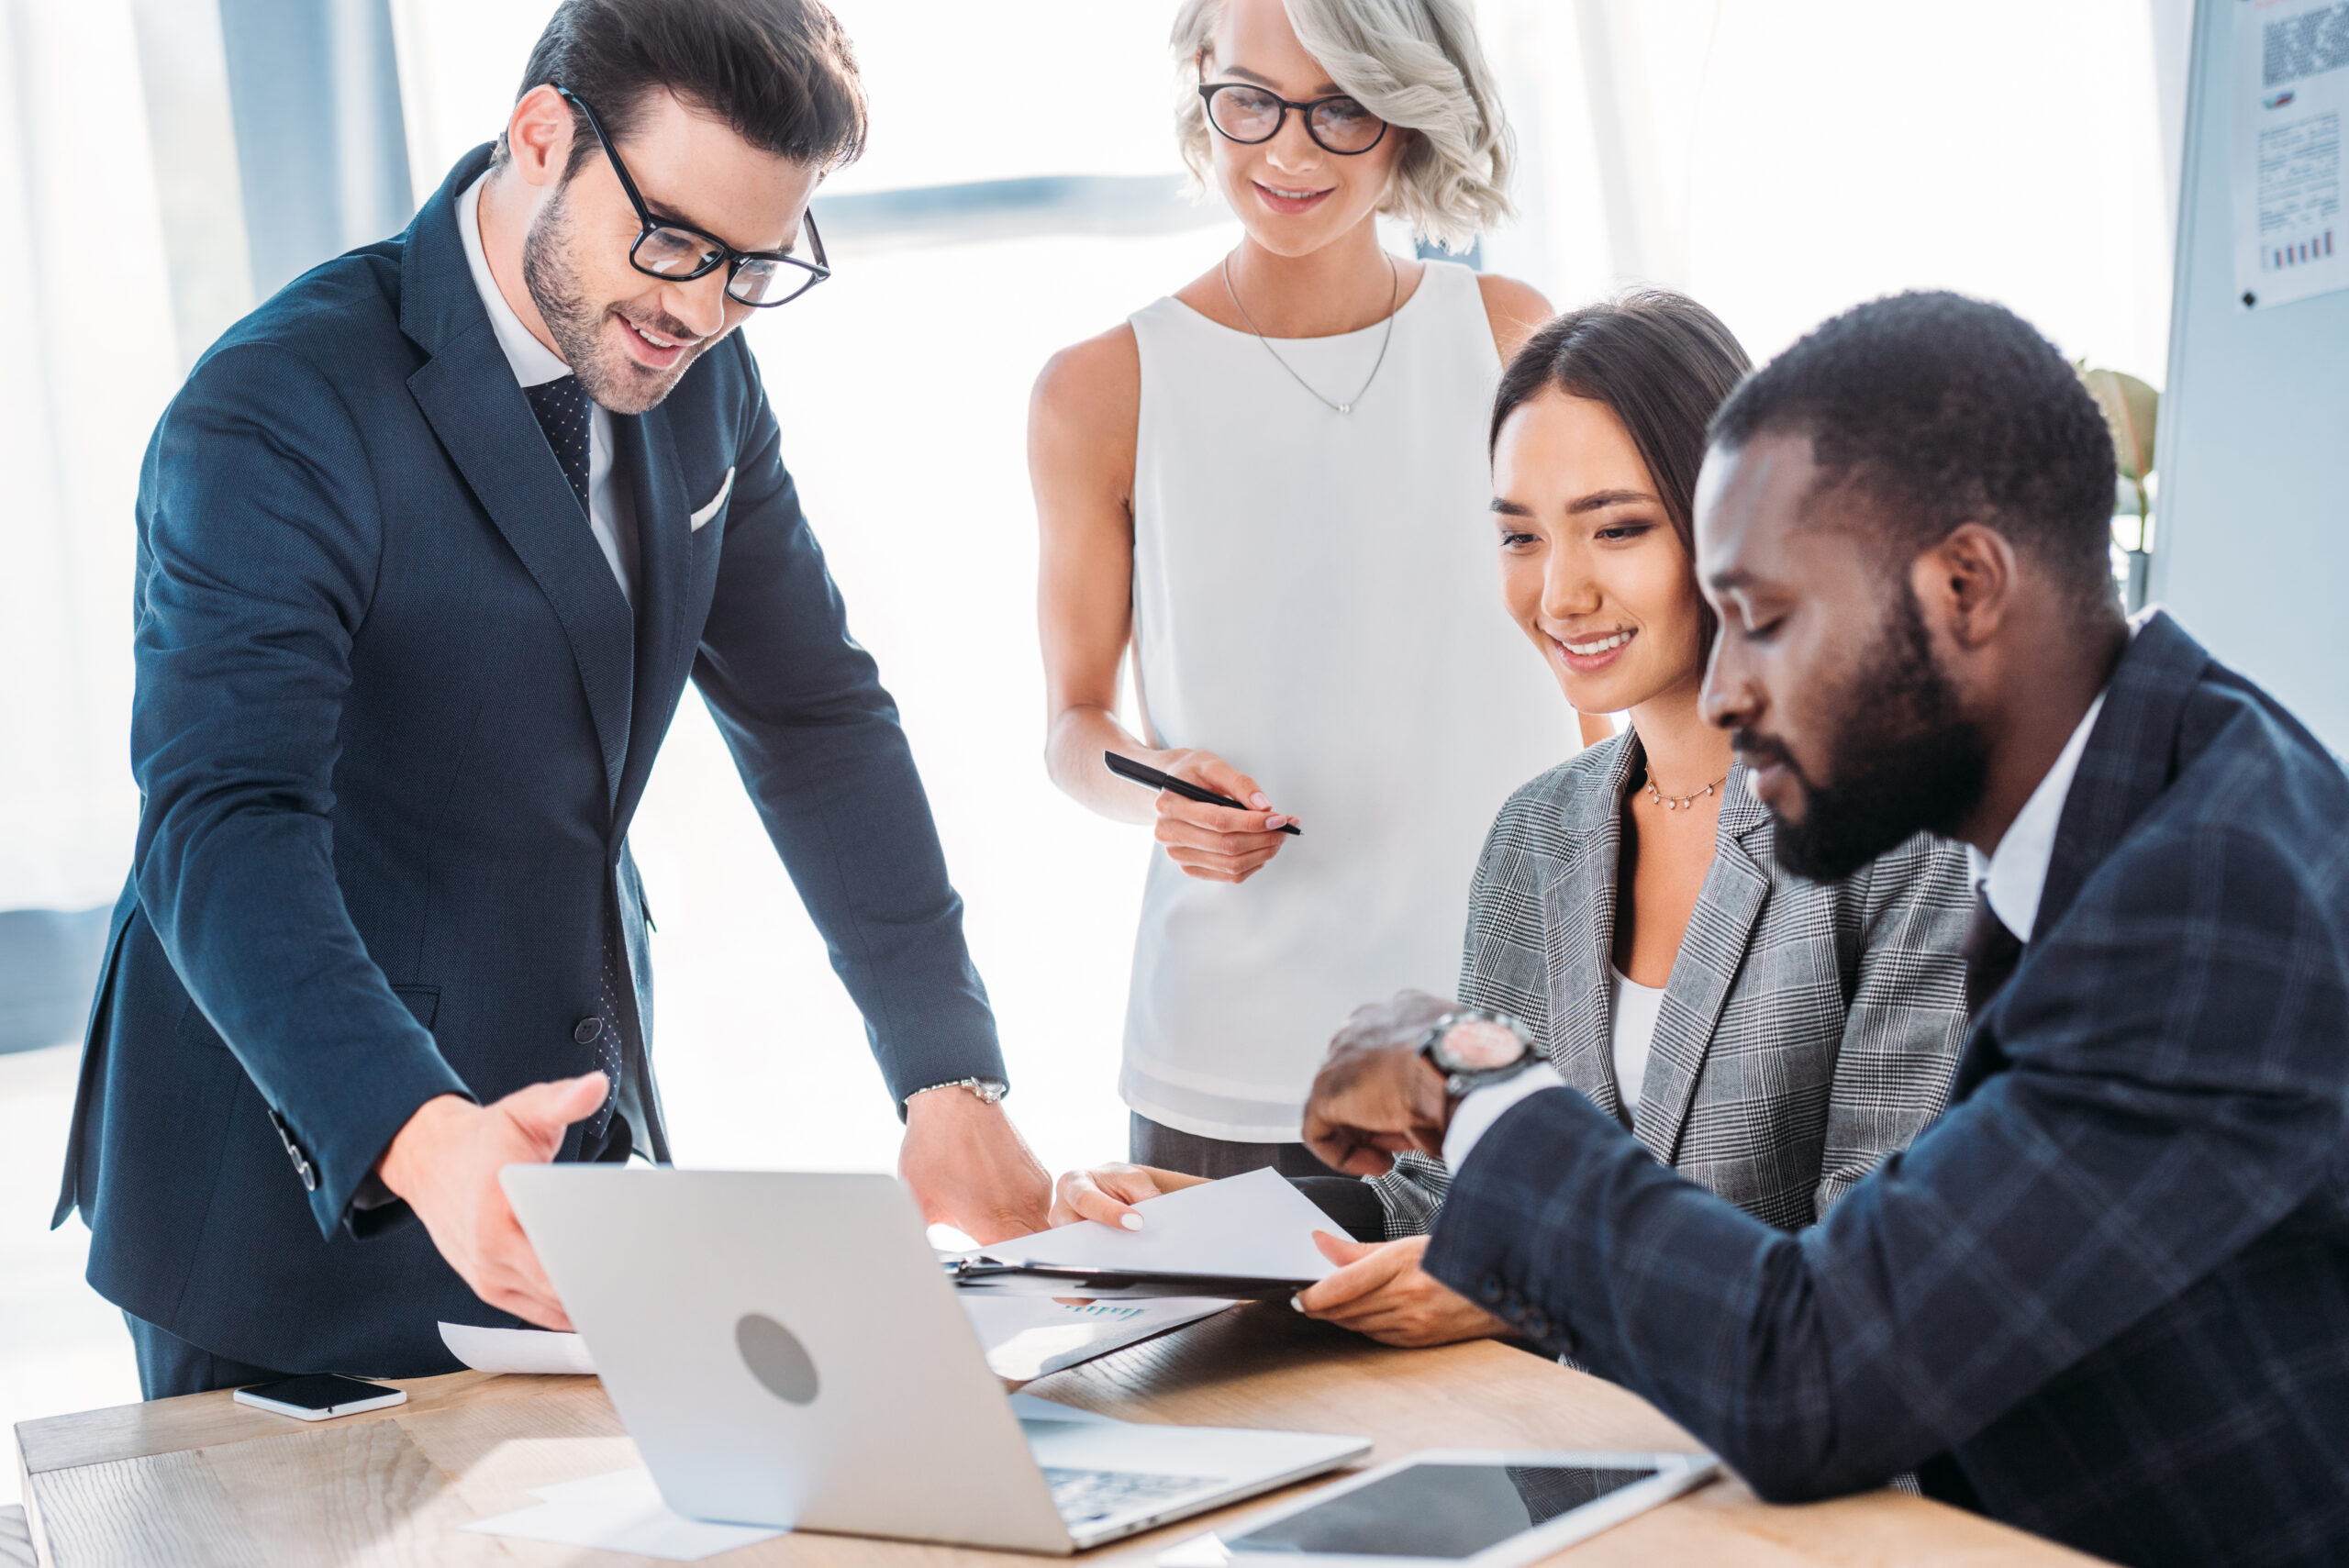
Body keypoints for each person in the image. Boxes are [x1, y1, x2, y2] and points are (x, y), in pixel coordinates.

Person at [54, 0, 1052, 1401]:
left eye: (753, 267)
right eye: (674, 242)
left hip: (567, 1157)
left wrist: (948, 1076)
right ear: (540, 137)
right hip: (289, 1187)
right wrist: (415, 1128)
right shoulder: (276, 407)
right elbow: (224, 822)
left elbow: (814, 715)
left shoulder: (704, 377)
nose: (701, 311)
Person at [1298, 292, 2349, 1565]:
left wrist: (1468, 1068)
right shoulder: (2145, 788)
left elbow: (1810, 1364)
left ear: (1965, 586)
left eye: (1767, 619)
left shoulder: (2203, 896)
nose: (1729, 690)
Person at [1052, 295, 1974, 1349]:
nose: (1560, 593)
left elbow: (1871, 1273)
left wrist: (1537, 1283)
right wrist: (1217, 1223)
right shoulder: (1541, 833)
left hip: (1790, 1450)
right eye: (1520, 537)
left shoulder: (1910, 833)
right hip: (1559, 1438)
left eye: (1617, 528)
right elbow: (1461, 1196)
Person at [1030, 0, 1577, 1184]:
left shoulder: (1509, 335)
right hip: (1231, 1058)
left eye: (1341, 110)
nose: (1287, 152)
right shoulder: (1101, 387)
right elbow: (1074, 726)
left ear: (1408, 108)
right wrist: (1158, 792)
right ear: (1201, 75)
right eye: (1251, 102)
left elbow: (1592, 686)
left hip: (1510, 1032)